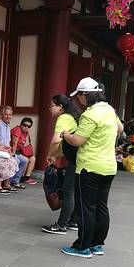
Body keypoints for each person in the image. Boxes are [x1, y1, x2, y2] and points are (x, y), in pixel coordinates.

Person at [59, 77, 123, 258]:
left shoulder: (90, 114)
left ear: (86, 94)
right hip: (109, 167)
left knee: (86, 207)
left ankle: (83, 247)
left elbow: (78, 140)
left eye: (79, 96)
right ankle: (97, 244)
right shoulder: (110, 110)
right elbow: (120, 129)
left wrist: (66, 134)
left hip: (89, 167)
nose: (78, 100)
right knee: (101, 207)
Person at [42, 94, 83, 235]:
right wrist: (56, 155)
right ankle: (73, 221)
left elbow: (56, 140)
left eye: (51, 106)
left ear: (60, 107)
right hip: (81, 159)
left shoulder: (63, 118)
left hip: (75, 161)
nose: (49, 109)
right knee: (74, 191)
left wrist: (50, 155)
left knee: (68, 192)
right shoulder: (72, 117)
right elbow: (66, 144)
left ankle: (61, 225)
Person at [0, 106, 27, 189]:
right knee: (15, 160)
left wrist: (11, 150)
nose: (8, 116)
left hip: (8, 151)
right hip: (0, 151)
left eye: (10, 115)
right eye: (6, 114)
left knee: (24, 160)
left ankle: (15, 181)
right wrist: (7, 150)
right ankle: (6, 183)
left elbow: (9, 141)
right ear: (2, 115)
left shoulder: (7, 125)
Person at [10, 117, 37, 185]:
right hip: (12, 150)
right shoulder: (17, 130)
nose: (26, 127)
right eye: (25, 125)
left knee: (32, 159)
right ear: (21, 124)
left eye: (28, 126)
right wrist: (13, 154)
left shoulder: (26, 132)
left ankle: (26, 177)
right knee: (25, 159)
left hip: (19, 151)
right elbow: (14, 143)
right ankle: (19, 178)